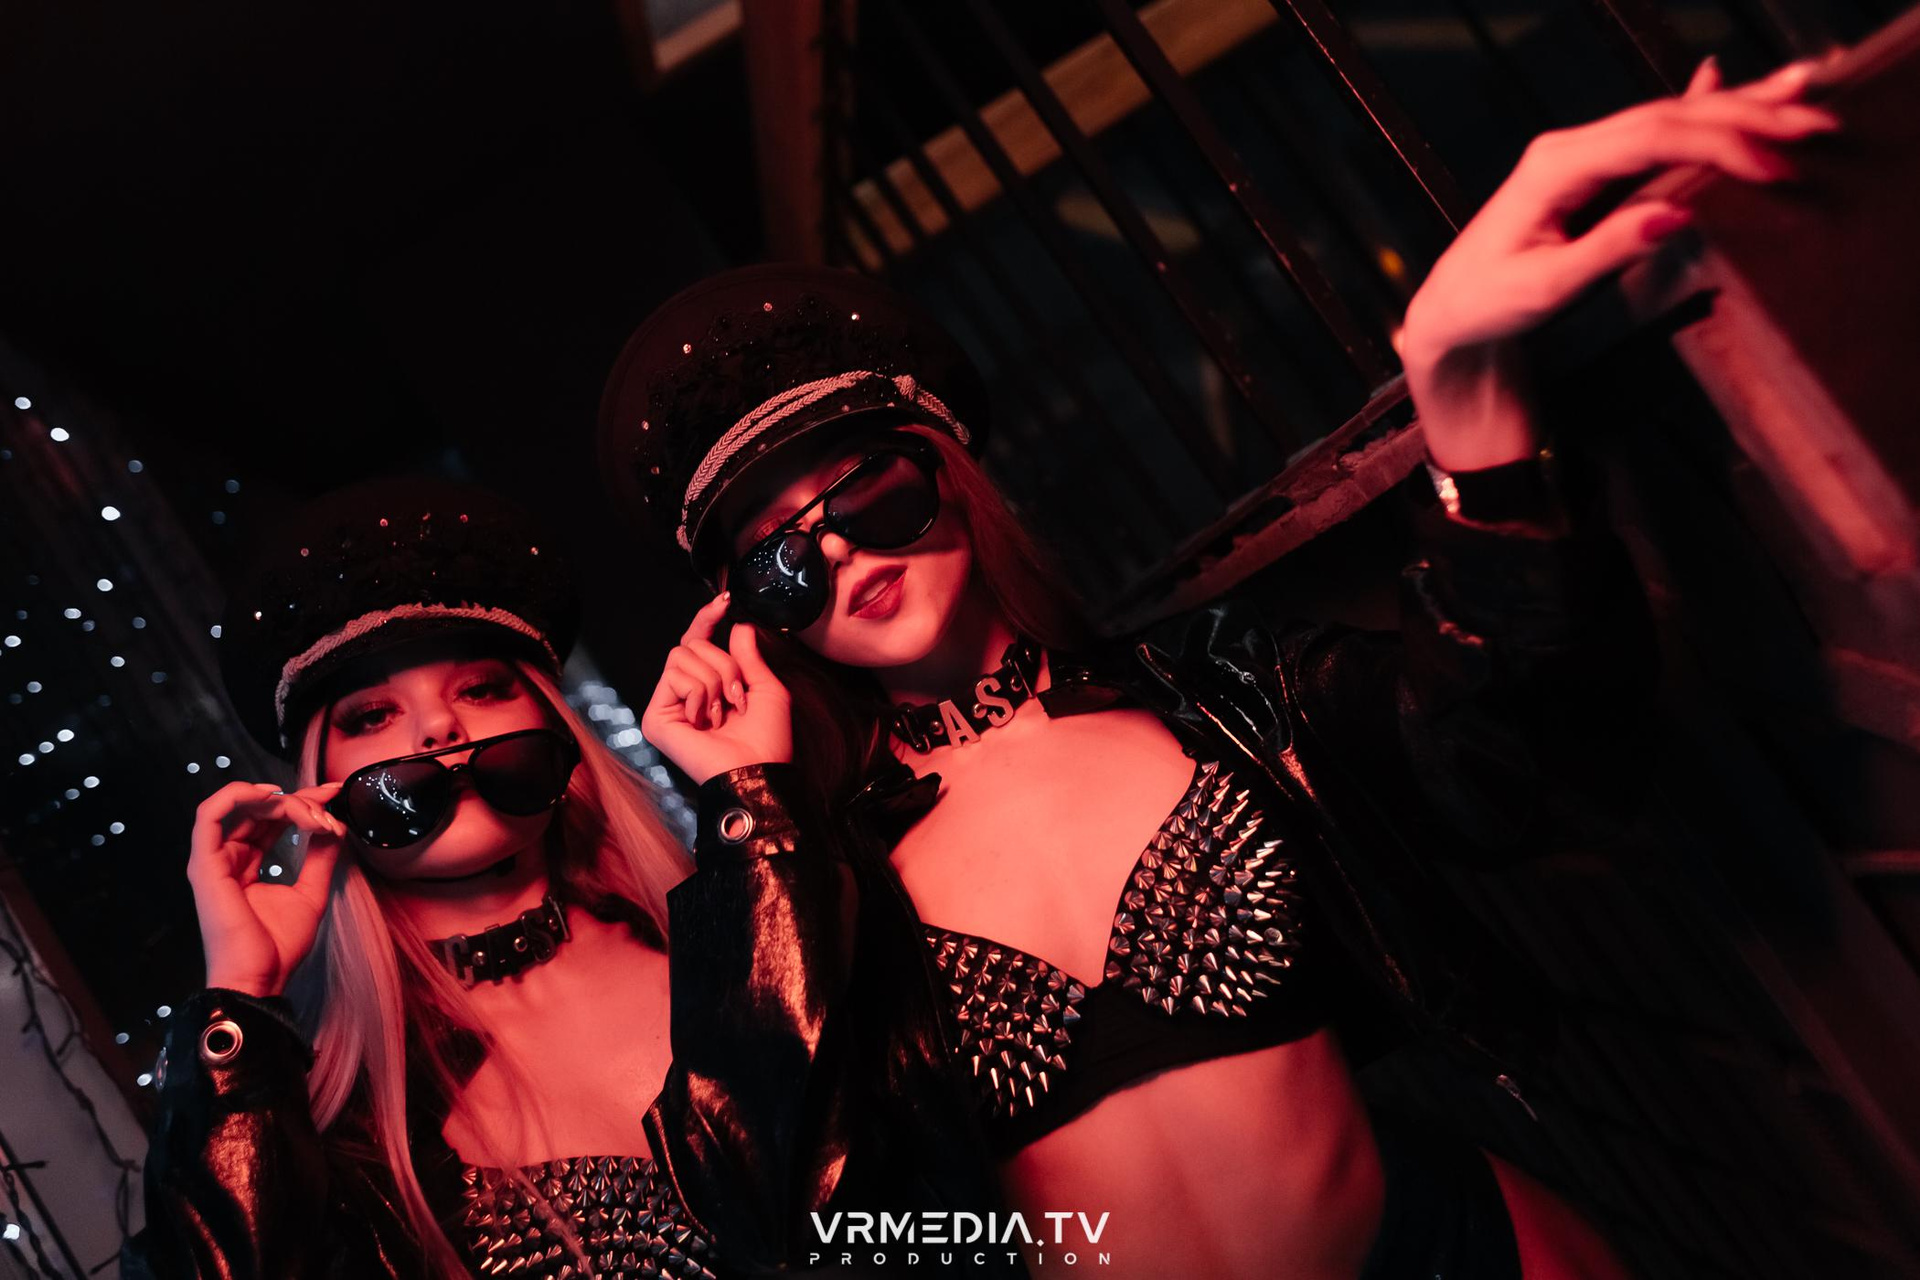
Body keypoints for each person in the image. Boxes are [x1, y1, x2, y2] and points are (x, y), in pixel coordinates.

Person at [597, 57, 1839, 1278]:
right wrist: (750, 810)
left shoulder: (1220, 693)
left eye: (869, 491)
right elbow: (787, 1222)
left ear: (951, 475)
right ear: (755, 619)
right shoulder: (821, 879)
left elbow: (1536, 756)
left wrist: (1468, 411)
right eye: (779, 561)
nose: (835, 549)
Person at [121, 477, 780, 1279]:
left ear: (551, 726)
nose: (439, 727)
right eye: (373, 715)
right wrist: (239, 997)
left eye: (480, 688)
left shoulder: (744, 941)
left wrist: (765, 807)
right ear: (321, 788)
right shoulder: (334, 1118)